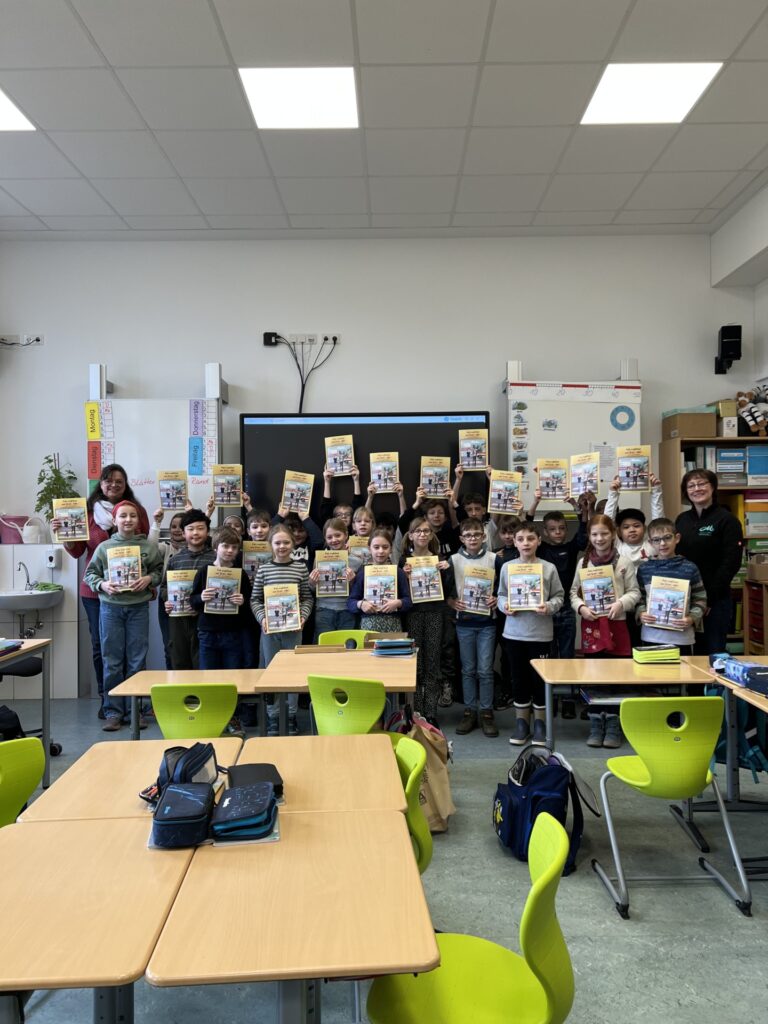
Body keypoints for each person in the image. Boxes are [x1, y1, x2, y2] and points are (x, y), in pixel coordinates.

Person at [55, 463, 150, 718]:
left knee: (133, 651)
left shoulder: (135, 511)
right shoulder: (87, 513)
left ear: (125, 483)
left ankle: (132, 704)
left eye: (119, 481)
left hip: (130, 594)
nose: (113, 485)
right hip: (95, 593)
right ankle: (107, 701)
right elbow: (76, 552)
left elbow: (144, 550)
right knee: (102, 648)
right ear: (101, 483)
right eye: (108, 481)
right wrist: (65, 533)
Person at [83, 500, 163, 732]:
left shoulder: (147, 547)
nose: (128, 520)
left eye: (132, 516)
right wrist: (103, 585)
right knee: (112, 661)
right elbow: (90, 575)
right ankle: (113, 712)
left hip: (138, 609)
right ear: (115, 520)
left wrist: (149, 579)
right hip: (110, 609)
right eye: (123, 516)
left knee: (137, 661)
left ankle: (135, 711)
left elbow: (158, 571)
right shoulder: (104, 547)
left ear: (139, 520)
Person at [570, 514, 640, 749]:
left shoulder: (624, 562)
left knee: (616, 679)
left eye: (604, 533)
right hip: (592, 626)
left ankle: (613, 726)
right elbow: (573, 593)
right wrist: (581, 607)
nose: (600, 538)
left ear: (613, 534)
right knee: (594, 679)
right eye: (595, 534)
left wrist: (621, 604)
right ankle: (595, 725)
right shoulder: (583, 563)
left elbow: (635, 592)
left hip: (617, 625)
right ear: (589, 536)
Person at [497, 521, 564, 746]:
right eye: (521, 539)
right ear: (514, 542)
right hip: (514, 634)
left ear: (539, 541)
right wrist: (505, 606)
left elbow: (559, 597)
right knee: (518, 679)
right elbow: (501, 595)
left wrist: (549, 607)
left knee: (539, 681)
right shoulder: (507, 567)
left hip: (541, 634)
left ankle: (540, 725)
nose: (526, 543)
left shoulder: (548, 568)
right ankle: (521, 724)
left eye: (530, 539)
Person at [251, 523, 314, 736]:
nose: (282, 546)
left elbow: (307, 597)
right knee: (271, 672)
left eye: (286, 542)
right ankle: (273, 716)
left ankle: (291, 715)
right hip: (270, 631)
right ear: (271, 544)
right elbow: (255, 599)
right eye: (277, 542)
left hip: (294, 630)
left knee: (293, 673)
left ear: (293, 543)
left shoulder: (300, 568)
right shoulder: (264, 569)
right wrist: (262, 619)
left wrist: (303, 615)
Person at [676, 468, 743, 655]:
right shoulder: (682, 520)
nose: (697, 488)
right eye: (691, 485)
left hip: (715, 600)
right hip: (686, 599)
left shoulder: (727, 520)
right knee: (685, 655)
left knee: (712, 653)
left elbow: (731, 563)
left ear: (713, 487)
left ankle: (714, 686)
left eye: (702, 483)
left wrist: (707, 600)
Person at [527, 488, 594, 660]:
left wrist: (576, 507)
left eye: (561, 528)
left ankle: (568, 686)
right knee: (548, 655)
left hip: (566, 607)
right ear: (545, 533)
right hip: (546, 607)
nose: (558, 532)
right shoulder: (540, 549)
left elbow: (583, 533)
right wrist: (535, 501)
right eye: (553, 529)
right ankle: (549, 687)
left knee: (567, 654)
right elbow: (527, 525)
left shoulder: (571, 548)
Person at [449, 518, 498, 737]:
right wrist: (451, 603)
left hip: (487, 622)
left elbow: (504, 589)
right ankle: (470, 710)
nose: (473, 539)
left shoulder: (494, 559)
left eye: (476, 534)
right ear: (461, 538)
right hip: (464, 622)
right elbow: (445, 589)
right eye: (468, 535)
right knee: (468, 670)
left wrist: (497, 599)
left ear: (484, 536)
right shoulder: (454, 560)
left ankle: (486, 712)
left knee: (485, 670)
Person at [400, 517, 452, 723]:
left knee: (432, 663)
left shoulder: (440, 559)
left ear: (432, 535)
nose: (422, 534)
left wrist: (446, 573)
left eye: (427, 531)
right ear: (410, 535)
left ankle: (430, 713)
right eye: (418, 531)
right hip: (412, 614)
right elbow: (400, 594)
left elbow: (448, 593)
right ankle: (416, 712)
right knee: (415, 664)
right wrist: (402, 576)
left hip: (434, 614)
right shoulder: (404, 561)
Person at [636, 518, 706, 653]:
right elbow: (638, 598)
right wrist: (641, 613)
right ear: (650, 543)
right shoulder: (645, 569)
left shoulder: (690, 568)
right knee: (650, 673)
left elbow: (700, 598)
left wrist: (692, 618)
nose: (662, 543)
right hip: (651, 636)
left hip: (682, 637)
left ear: (677, 538)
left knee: (683, 673)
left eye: (667, 538)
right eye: (656, 540)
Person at [190, 525, 252, 671]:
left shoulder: (240, 573)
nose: (230, 550)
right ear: (216, 547)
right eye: (225, 546)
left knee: (232, 674)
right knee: (208, 674)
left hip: (233, 633)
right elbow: (192, 600)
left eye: (234, 547)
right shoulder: (204, 571)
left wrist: (242, 602)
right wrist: (201, 597)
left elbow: (249, 602)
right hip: (207, 632)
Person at [161, 508, 215, 670]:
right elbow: (164, 587)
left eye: (200, 528)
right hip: (179, 619)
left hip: (207, 619)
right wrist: (167, 600)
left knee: (203, 659)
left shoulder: (214, 558)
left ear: (207, 531)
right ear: (183, 533)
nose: (195, 533)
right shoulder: (175, 560)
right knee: (179, 659)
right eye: (190, 529)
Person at [348, 529, 411, 633]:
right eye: (376, 547)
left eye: (385, 547)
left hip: (393, 624)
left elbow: (408, 601)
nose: (381, 551)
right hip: (368, 624)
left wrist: (398, 603)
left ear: (390, 549)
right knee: (369, 650)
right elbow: (351, 602)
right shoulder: (363, 572)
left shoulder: (398, 572)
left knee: (393, 649)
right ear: (369, 549)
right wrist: (361, 604)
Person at [309, 516, 358, 639]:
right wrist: (312, 582)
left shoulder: (357, 561)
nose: (334, 540)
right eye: (329, 537)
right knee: (324, 649)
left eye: (338, 535)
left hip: (347, 611)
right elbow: (314, 590)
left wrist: (352, 581)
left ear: (346, 535)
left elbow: (359, 593)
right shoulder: (319, 559)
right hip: (324, 610)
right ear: (325, 538)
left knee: (348, 649)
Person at [150, 507, 187, 669]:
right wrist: (157, 523)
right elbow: (149, 548)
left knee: (190, 645)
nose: (177, 530)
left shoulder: (195, 549)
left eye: (182, 526)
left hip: (191, 600)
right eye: (173, 526)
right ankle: (171, 684)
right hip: (167, 601)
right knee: (170, 645)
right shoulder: (164, 548)